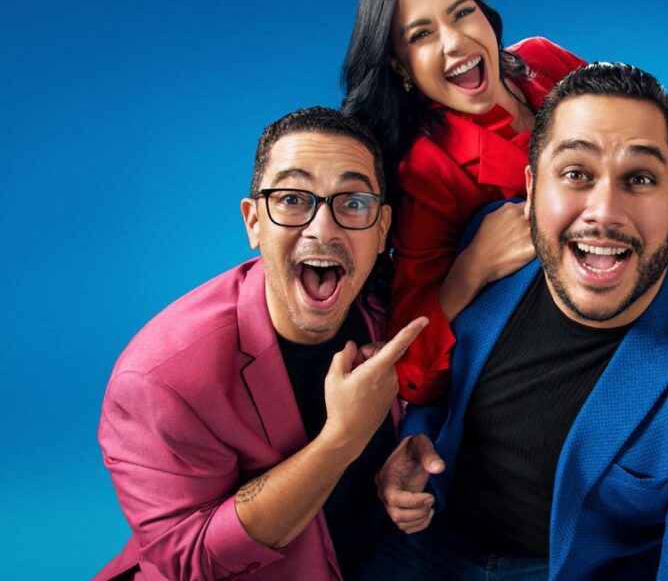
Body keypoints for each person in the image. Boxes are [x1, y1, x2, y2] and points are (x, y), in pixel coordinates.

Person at [360, 63, 668, 580]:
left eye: (640, 179)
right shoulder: (489, 248)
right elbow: (445, 388)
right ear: (532, 188)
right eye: (576, 174)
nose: (604, 212)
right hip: (428, 540)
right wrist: (414, 446)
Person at [96, 107, 427, 580]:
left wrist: (411, 451)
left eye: (352, 202)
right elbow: (191, 562)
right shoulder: (158, 379)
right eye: (292, 199)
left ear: (380, 230)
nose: (323, 229)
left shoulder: (390, 309)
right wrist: (342, 440)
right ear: (253, 222)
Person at [341, 0, 586, 404]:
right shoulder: (427, 168)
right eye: (422, 35)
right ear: (399, 65)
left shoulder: (544, 59)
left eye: (462, 13)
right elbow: (410, 366)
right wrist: (474, 266)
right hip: (558, 359)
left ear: (486, 16)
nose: (454, 43)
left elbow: (637, 129)